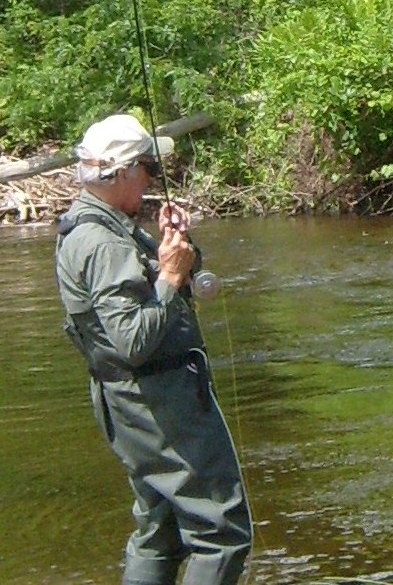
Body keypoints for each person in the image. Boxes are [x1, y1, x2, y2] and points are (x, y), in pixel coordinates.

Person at [53, 113, 251, 585]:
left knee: (159, 529)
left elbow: (167, 275)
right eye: (147, 166)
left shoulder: (98, 224)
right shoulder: (102, 243)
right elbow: (135, 341)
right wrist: (169, 277)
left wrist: (173, 247)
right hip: (158, 402)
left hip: (132, 405)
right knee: (221, 532)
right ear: (119, 172)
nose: (152, 178)